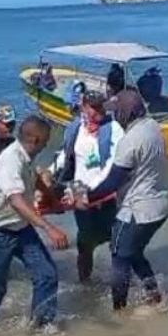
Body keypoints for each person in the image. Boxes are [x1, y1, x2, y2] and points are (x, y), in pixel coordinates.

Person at [0, 116, 70, 329]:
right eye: (45, 141)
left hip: (20, 228)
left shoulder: (26, 155)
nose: (46, 145)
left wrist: (52, 198)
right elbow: (16, 201)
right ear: (35, 140)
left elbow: (33, 177)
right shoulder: (10, 161)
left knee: (47, 275)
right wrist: (49, 228)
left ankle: (41, 326)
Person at [82, 90, 168, 316]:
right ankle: (154, 296)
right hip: (160, 206)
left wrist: (86, 198)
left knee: (119, 255)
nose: (115, 116)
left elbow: (112, 182)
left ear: (127, 113)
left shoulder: (130, 141)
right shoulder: (153, 127)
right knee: (135, 251)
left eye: (117, 112)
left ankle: (119, 310)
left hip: (136, 210)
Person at [49, 90, 124, 283]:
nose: (97, 111)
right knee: (85, 242)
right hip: (78, 189)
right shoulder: (75, 127)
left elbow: (112, 163)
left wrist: (94, 190)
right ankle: (85, 283)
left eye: (100, 106)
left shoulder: (113, 128)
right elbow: (65, 156)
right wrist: (50, 172)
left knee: (115, 240)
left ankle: (120, 282)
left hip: (106, 193)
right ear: (83, 106)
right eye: (93, 107)